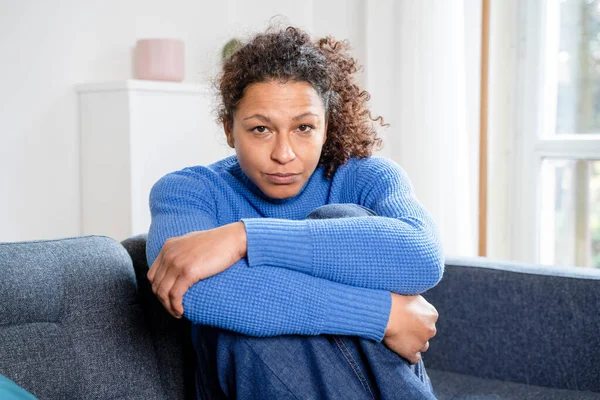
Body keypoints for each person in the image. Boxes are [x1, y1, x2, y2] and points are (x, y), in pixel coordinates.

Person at [146, 26, 444, 400]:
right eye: (260, 129)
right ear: (228, 129)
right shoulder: (188, 192)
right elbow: (196, 293)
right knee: (244, 331)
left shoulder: (366, 177)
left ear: (326, 127)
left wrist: (244, 238)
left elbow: (422, 258)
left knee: (340, 217)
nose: (284, 153)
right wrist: (382, 315)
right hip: (252, 379)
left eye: (304, 127)